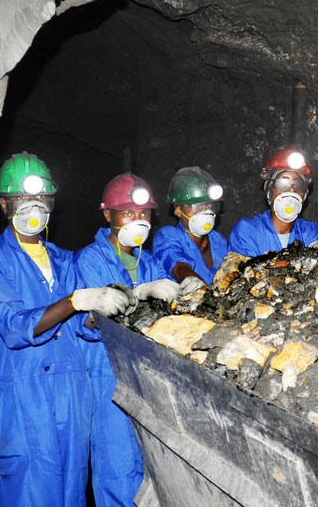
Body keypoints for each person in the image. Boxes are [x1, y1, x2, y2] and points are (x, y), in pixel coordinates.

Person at [0, 152, 133, 507]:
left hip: (73, 394)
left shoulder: (64, 260)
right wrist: (74, 301)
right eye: (23, 200)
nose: (33, 208)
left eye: (41, 200)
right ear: (4, 204)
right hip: (24, 398)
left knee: (72, 493)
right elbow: (14, 327)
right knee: (28, 491)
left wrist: (123, 300)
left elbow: (84, 327)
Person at [73, 172, 181, 506]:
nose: (139, 221)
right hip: (110, 382)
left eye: (145, 214)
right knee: (118, 474)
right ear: (108, 215)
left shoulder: (149, 262)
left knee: (154, 476)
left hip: (150, 381)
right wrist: (140, 293)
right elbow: (90, 322)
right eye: (128, 213)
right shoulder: (89, 258)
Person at [228, 145, 318, 257]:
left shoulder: (313, 232)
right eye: (283, 183)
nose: (292, 190)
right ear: (269, 188)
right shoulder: (247, 231)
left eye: (299, 185)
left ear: (305, 194)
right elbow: (243, 272)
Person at [153, 166, 229, 288]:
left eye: (211, 205)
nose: (207, 211)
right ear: (177, 209)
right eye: (198, 206)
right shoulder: (168, 236)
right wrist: (198, 285)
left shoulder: (218, 240)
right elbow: (180, 269)